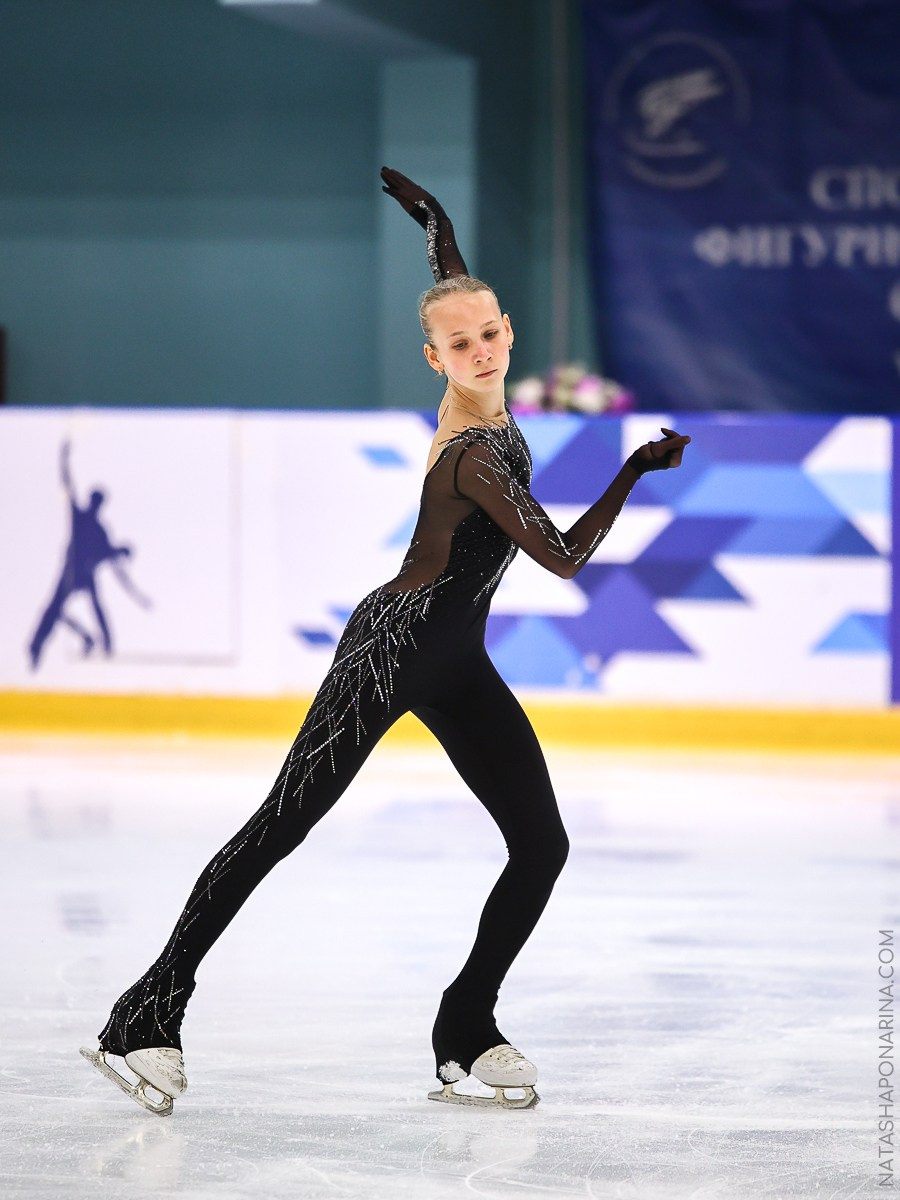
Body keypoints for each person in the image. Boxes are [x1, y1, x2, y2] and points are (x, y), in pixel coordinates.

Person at [80, 167, 690, 1114]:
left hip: (457, 662)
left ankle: (465, 1026)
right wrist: (636, 468)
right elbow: (565, 558)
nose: (480, 349)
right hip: (391, 647)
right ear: (432, 358)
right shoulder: (476, 453)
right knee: (282, 824)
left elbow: (451, 277)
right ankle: (148, 1012)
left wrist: (434, 222)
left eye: (491, 333)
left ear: (508, 332)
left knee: (541, 844)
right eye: (459, 343)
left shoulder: (481, 389)